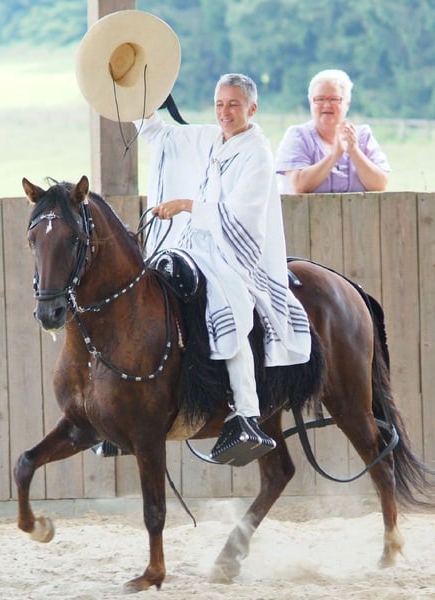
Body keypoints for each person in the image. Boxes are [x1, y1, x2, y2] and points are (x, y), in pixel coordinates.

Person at [138, 73, 312, 464]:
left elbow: (242, 217)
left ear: (252, 108)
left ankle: (245, 412)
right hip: (195, 246)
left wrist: (186, 206)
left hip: (235, 255)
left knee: (228, 307)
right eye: (219, 104)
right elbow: (163, 137)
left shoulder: (257, 155)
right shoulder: (212, 139)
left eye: (233, 105)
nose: (224, 112)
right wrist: (138, 99)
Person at [275, 69, 390, 194]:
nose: (327, 105)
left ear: (347, 103)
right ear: (310, 102)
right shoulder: (298, 136)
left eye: (334, 99)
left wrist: (354, 151)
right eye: (320, 99)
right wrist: (335, 155)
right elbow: (298, 185)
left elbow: (380, 184)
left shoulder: (363, 136)